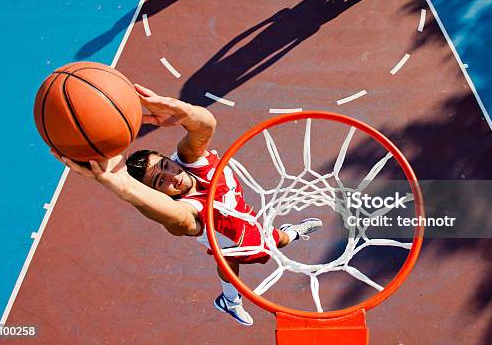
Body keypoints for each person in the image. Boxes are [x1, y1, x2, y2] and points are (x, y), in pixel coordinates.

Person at [54, 83, 322, 326]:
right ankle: (230, 300)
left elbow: (206, 125)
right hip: (232, 239)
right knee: (230, 259)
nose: (173, 176)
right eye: (161, 181)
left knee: (281, 239)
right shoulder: (187, 212)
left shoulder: (187, 159)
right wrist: (123, 186)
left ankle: (291, 232)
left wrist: (176, 107)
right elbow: (178, 219)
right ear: (159, 193)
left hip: (242, 215)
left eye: (165, 166)